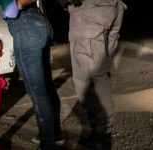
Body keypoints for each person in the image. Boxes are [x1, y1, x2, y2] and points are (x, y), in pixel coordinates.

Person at [0, 0, 65, 149]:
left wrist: (18, 3)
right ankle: (55, 134)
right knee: (46, 87)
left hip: (25, 26)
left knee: (37, 92)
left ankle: (48, 145)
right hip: (36, 24)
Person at [58, 0, 127, 149]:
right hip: (113, 7)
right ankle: (102, 132)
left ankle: (102, 134)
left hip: (90, 10)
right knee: (100, 75)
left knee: (88, 79)